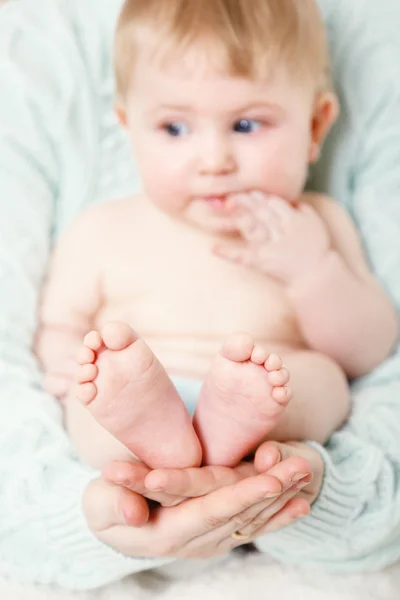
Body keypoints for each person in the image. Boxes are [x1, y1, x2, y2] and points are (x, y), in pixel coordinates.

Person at [0, 0, 400, 592]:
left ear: (316, 126)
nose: (214, 160)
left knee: (321, 378)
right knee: (96, 392)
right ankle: (162, 437)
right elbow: (58, 327)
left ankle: (232, 430)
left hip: (266, 412)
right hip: (144, 409)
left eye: (246, 125)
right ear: (127, 124)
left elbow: (370, 348)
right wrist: (71, 366)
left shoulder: (315, 224)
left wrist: (313, 271)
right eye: (174, 129)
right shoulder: (103, 227)